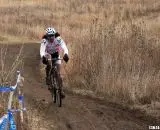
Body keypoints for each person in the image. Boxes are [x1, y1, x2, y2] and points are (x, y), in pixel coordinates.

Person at [40, 27, 69, 97]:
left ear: (54, 35)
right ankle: (48, 77)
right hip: (48, 54)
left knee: (59, 74)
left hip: (56, 54)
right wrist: (43, 57)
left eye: (52, 35)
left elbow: (64, 47)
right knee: (49, 63)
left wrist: (65, 54)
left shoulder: (58, 39)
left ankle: (61, 90)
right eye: (49, 36)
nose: (51, 37)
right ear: (47, 36)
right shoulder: (44, 41)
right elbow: (42, 50)